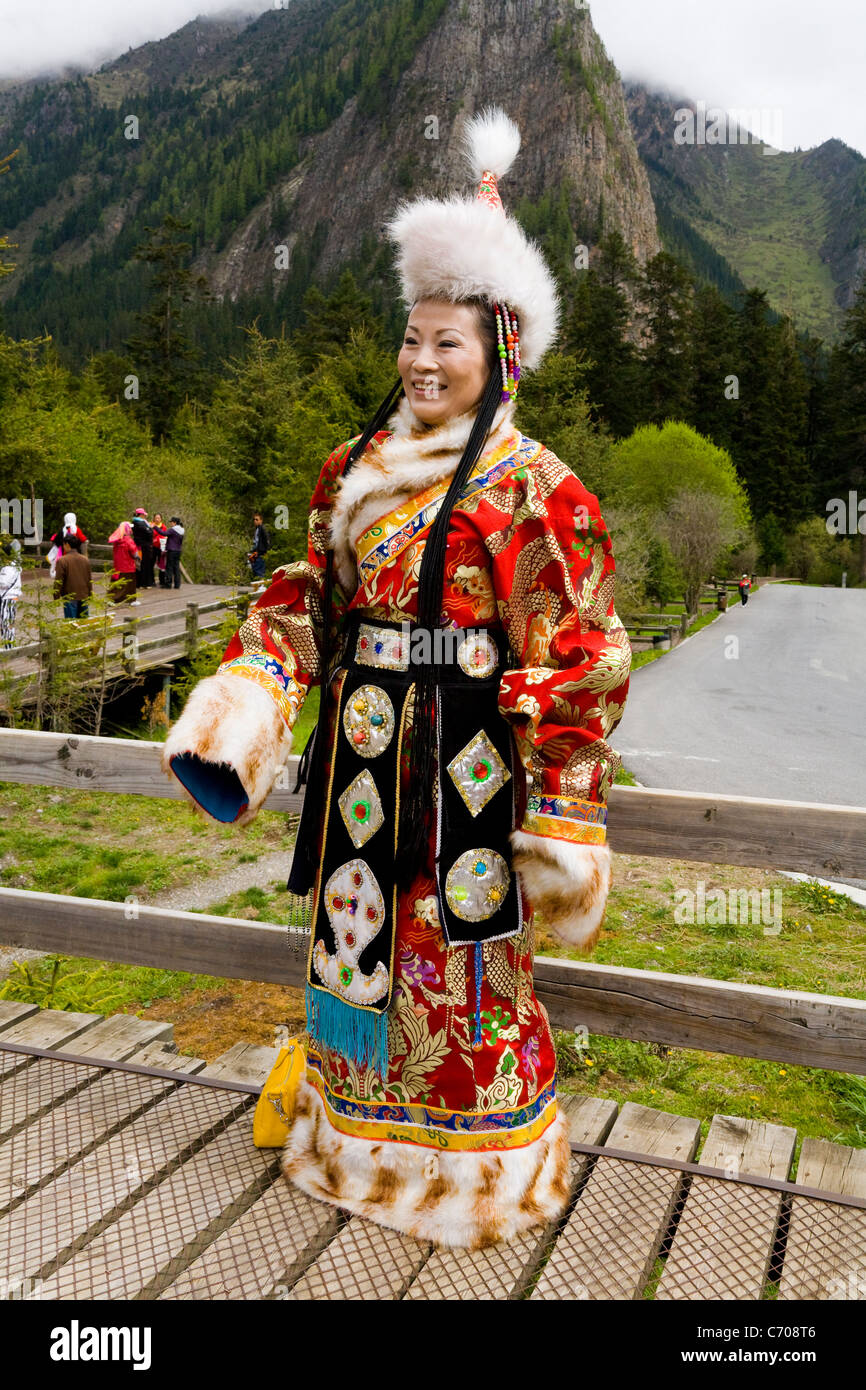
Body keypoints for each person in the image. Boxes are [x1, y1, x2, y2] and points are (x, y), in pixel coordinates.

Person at [160, 108, 631, 1250]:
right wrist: (247, 701)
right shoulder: (348, 474)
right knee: (355, 952)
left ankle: (476, 1179)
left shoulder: (538, 492)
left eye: (448, 343)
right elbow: (304, 607)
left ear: (498, 353)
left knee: (460, 966)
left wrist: (562, 815)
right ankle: (350, 1144)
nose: (421, 362)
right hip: (361, 759)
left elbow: (579, 655)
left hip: (466, 769)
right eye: (411, 338)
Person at [53, 535, 92, 618]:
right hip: (84, 595)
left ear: (67, 544)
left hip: (69, 596)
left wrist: (56, 596)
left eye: (63, 544)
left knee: (71, 624)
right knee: (84, 623)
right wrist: (90, 594)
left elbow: (59, 580)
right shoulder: (85, 560)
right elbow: (89, 579)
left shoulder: (62, 560)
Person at [47, 512, 88, 578]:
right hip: (75, 552)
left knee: (65, 565)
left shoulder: (63, 529)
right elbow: (83, 539)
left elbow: (57, 540)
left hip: (64, 552)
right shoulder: (76, 529)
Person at [0, 533, 22, 648]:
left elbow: (4, 582)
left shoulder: (9, 568)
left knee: (5, 622)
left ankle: (8, 646)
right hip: (11, 597)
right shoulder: (15, 565)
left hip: (7, 598)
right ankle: (9, 644)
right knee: (9, 622)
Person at [108, 521, 138, 604]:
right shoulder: (129, 540)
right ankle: (130, 600)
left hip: (118, 566)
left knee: (116, 584)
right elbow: (134, 553)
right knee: (130, 584)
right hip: (128, 566)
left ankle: (112, 599)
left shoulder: (116, 540)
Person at [132, 508, 155, 589]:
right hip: (143, 547)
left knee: (140, 564)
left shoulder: (137, 522)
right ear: (141, 515)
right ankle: (144, 583)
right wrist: (151, 528)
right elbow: (149, 533)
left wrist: (149, 528)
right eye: (144, 515)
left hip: (141, 546)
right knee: (144, 564)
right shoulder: (139, 523)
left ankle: (141, 583)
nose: (145, 516)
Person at [248, 512, 270, 588]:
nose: (255, 521)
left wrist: (262, 552)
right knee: (255, 571)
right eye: (254, 519)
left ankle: (261, 587)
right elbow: (257, 542)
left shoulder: (262, 529)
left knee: (259, 572)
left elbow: (266, 541)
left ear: (261, 520)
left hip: (260, 554)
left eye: (257, 519)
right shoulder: (257, 529)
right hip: (256, 553)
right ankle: (258, 587)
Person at [164, 518, 184, 589]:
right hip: (178, 550)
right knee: (176, 567)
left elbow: (164, 533)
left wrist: (155, 527)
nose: (170, 523)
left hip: (171, 550)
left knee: (169, 567)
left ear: (175, 523)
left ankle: (168, 584)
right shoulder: (182, 530)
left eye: (171, 522)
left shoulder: (172, 530)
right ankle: (177, 584)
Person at [152, 514, 168, 588]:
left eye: (159, 518)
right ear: (154, 519)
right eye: (156, 518)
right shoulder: (151, 526)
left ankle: (162, 581)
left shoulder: (164, 527)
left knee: (161, 565)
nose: (157, 519)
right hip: (153, 547)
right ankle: (152, 580)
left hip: (161, 548)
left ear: (161, 519)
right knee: (151, 564)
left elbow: (165, 536)